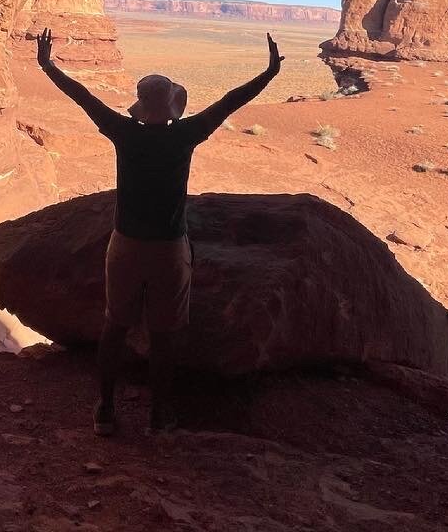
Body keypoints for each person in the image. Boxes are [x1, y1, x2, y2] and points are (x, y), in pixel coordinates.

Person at [36, 27, 283, 435]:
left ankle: (106, 410)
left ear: (140, 106)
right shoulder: (185, 135)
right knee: (165, 336)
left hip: (125, 245)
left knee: (114, 327)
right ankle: (159, 414)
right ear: (171, 107)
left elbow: (83, 97)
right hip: (169, 249)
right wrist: (270, 72)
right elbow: (229, 102)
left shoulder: (124, 131)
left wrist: (48, 66)